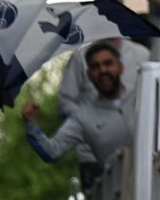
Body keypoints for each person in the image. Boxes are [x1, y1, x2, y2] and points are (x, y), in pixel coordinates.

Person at [24, 42, 136, 192]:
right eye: (96, 66)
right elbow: (52, 151)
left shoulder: (143, 92)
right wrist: (30, 123)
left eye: (108, 63)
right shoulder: (83, 117)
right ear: (89, 75)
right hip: (120, 191)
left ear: (120, 66)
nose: (103, 70)